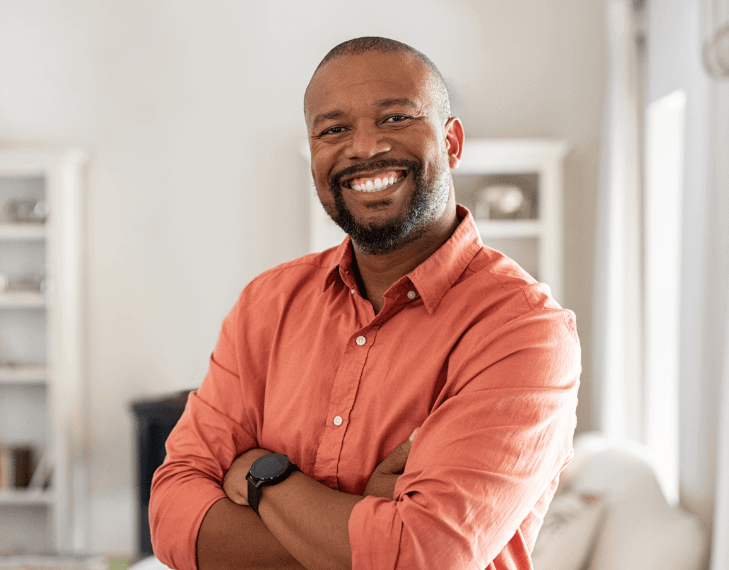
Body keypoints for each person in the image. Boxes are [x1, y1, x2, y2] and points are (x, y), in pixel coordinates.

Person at [150, 36, 581, 570]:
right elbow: (172, 516)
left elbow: (420, 555)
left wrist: (266, 476)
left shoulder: (524, 331)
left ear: (452, 143)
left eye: (395, 119)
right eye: (333, 129)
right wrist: (368, 526)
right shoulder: (266, 304)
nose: (364, 148)